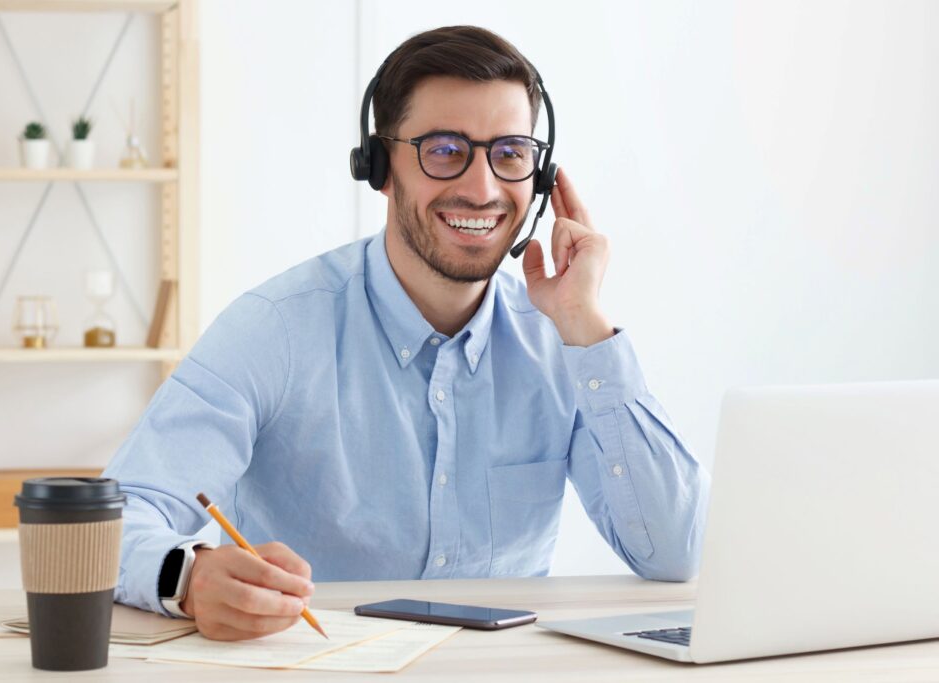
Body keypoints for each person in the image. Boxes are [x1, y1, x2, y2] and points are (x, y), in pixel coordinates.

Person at [103, 25, 710, 641]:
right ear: (379, 168)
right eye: (445, 150)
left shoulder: (564, 339)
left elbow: (676, 552)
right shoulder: (276, 329)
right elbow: (110, 521)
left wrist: (587, 327)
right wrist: (188, 576)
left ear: (541, 174)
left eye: (509, 153)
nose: (481, 189)